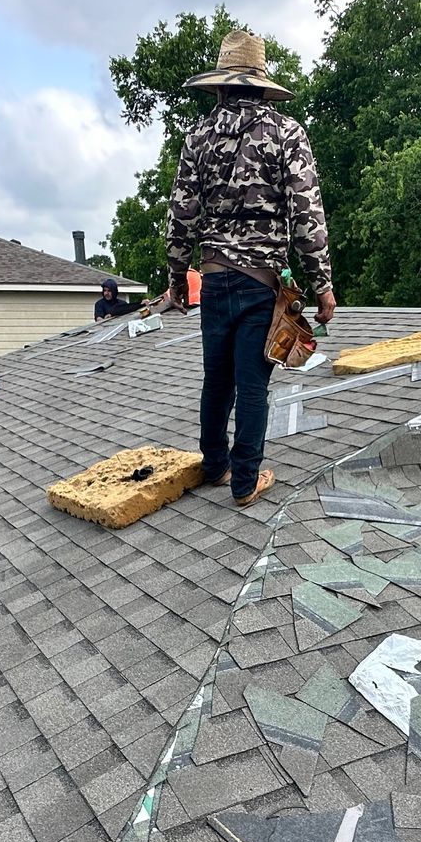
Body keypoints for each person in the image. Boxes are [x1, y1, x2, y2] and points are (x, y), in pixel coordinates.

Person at [166, 29, 334, 508]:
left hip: (214, 280)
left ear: (220, 86)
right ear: (261, 85)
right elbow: (307, 216)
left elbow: (181, 217)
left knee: (217, 378)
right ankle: (245, 481)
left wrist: (179, 278)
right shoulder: (286, 133)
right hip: (262, 283)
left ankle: (215, 466)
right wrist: (322, 285)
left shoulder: (198, 137)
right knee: (253, 383)